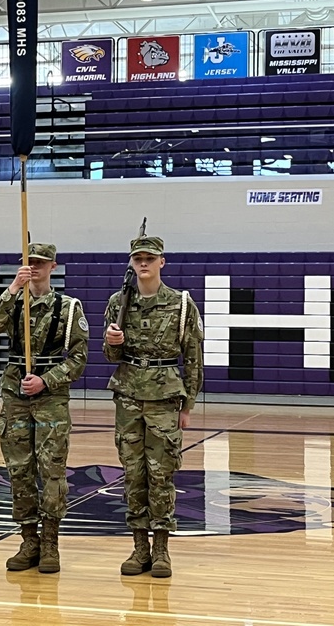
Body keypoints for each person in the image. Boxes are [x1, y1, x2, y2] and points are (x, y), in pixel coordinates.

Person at [102, 235, 204, 578]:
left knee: (161, 474)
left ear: (162, 262)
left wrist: (187, 405)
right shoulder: (120, 301)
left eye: (150, 258)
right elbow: (110, 356)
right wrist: (113, 342)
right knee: (133, 475)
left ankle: (161, 548)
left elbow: (193, 358)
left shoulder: (181, 303)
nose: (143, 263)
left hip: (163, 398)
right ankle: (139, 546)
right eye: (137, 258)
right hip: (129, 396)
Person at [0, 242, 88, 574]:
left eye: (41, 262)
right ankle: (28, 538)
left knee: (52, 470)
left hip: (50, 397)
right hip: (15, 394)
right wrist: (13, 287)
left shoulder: (69, 308)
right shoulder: (15, 302)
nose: (35, 267)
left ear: (53, 266)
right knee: (19, 469)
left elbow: (78, 359)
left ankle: (50, 543)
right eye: (30, 262)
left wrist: (46, 380)